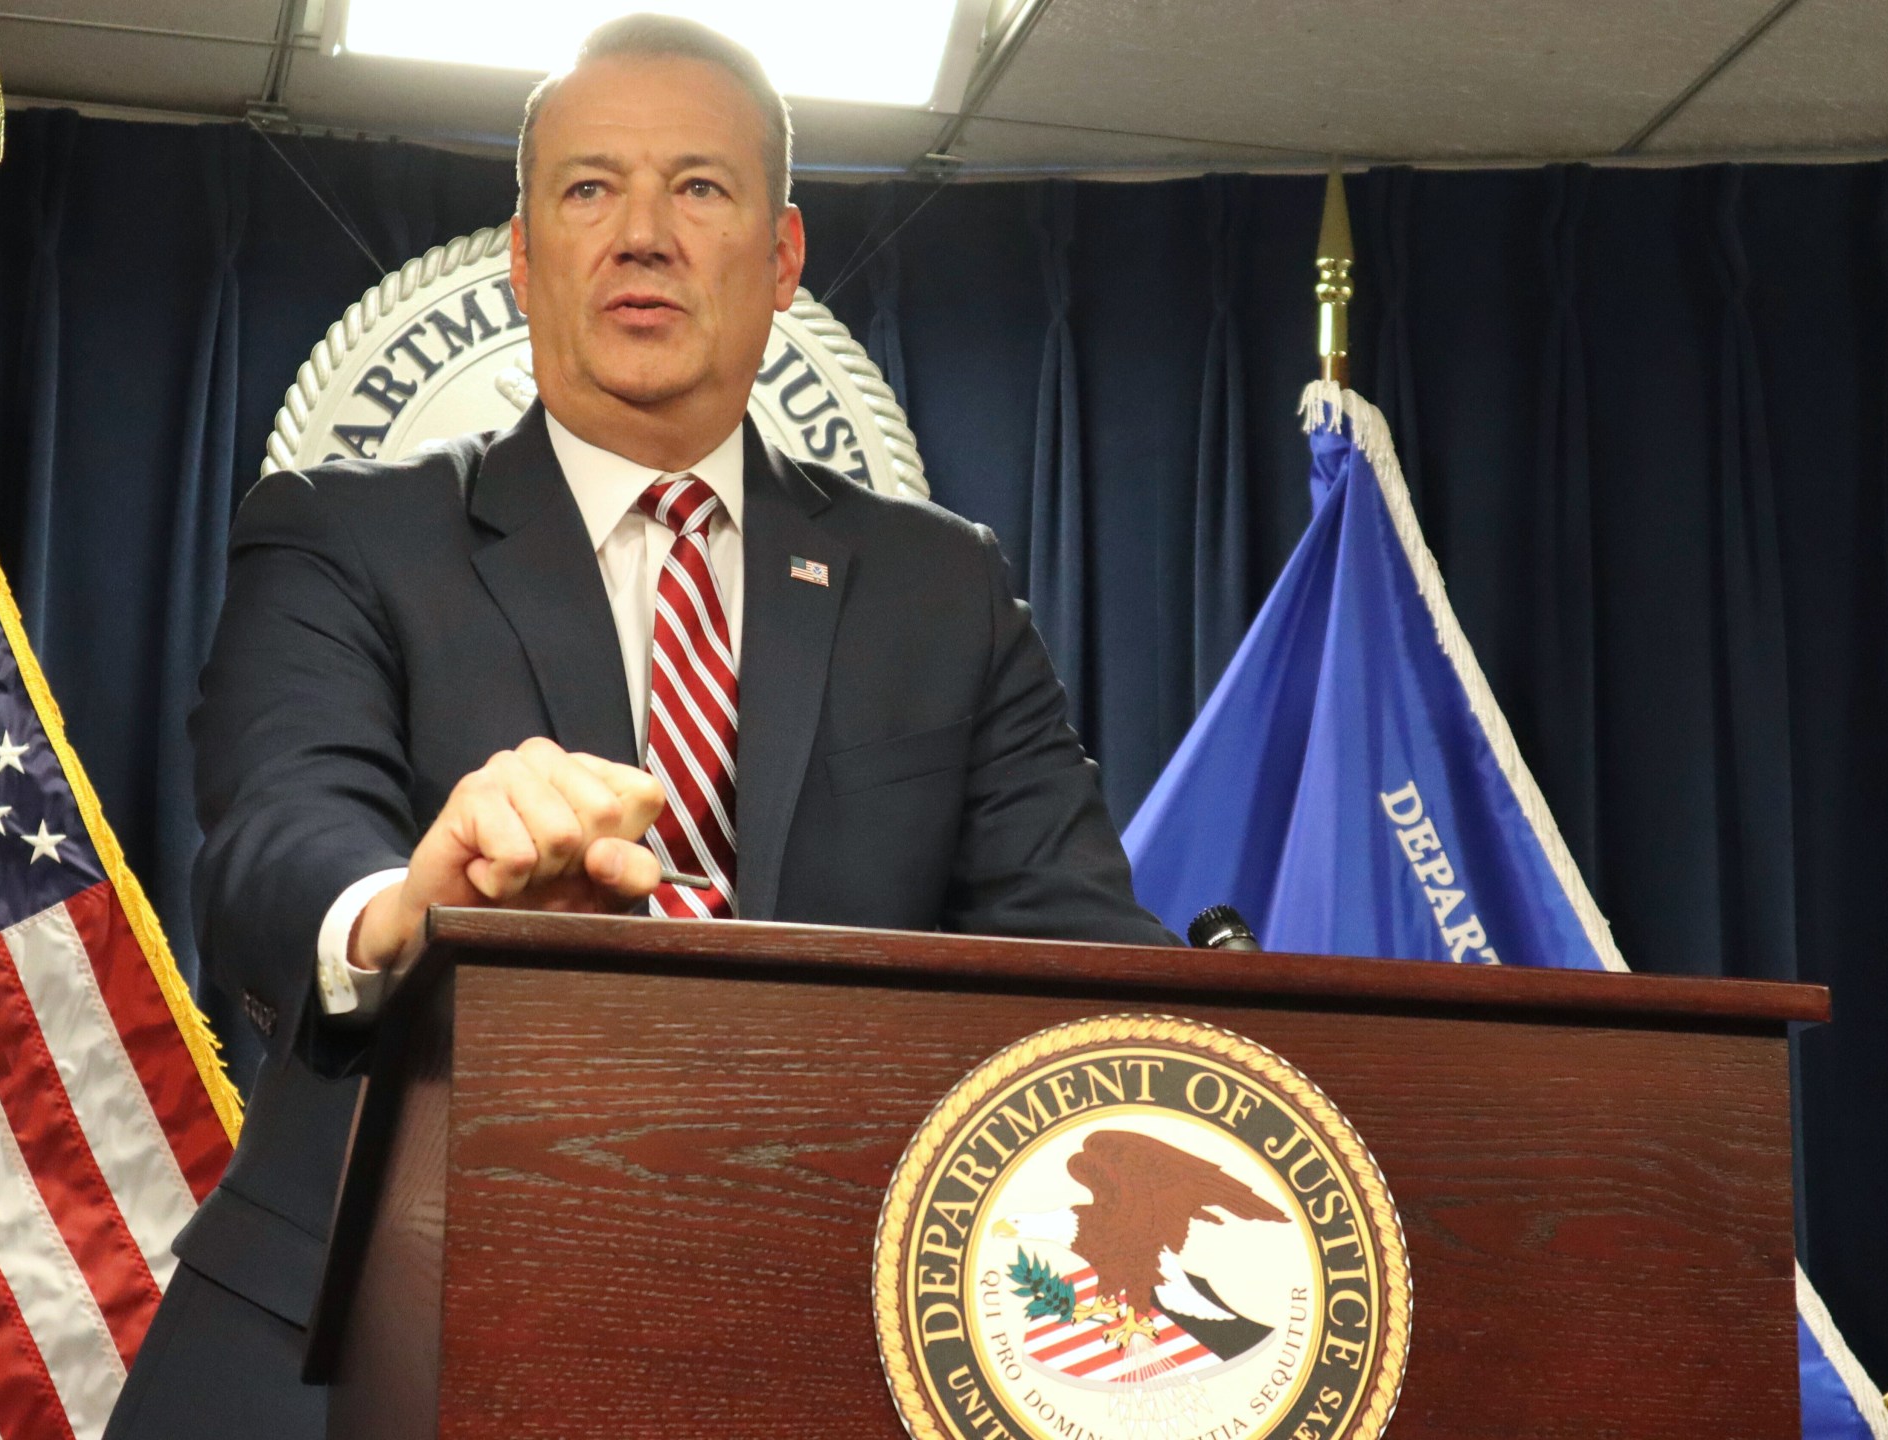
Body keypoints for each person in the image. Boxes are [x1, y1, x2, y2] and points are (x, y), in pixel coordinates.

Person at [103, 14, 1174, 1438]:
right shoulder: (343, 534)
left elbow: (1087, 958)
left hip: (805, 1329)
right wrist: (415, 907)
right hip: (362, 1322)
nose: (643, 235)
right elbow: (276, 838)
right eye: (590, 188)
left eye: (700, 188)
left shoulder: (942, 585)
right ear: (523, 252)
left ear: (782, 258)